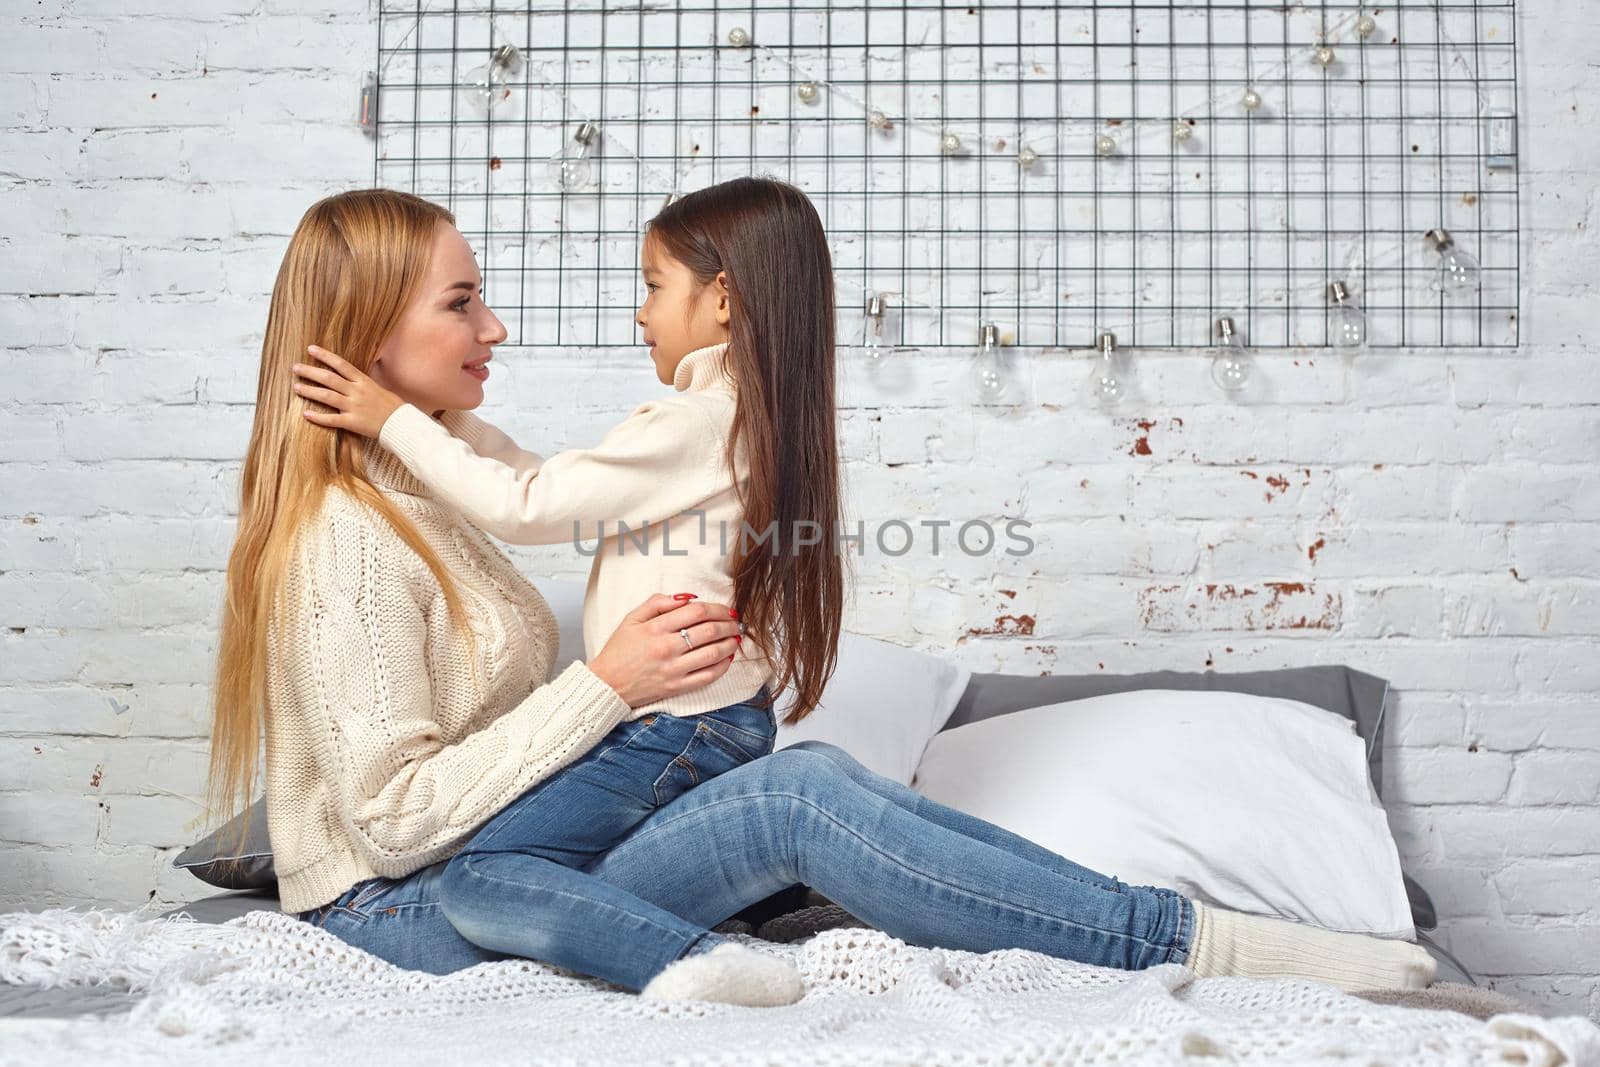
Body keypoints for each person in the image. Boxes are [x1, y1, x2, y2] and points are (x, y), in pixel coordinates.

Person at [206, 187, 1435, 1009]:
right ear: (366, 334)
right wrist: (606, 681)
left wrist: (419, 436)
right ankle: (704, 961)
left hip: (499, 859)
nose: (499, 323)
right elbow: (398, 828)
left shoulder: (443, 502)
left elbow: (527, 486)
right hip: (413, 900)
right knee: (732, 813)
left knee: (810, 788)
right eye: (462, 300)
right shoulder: (348, 542)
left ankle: (1189, 938)